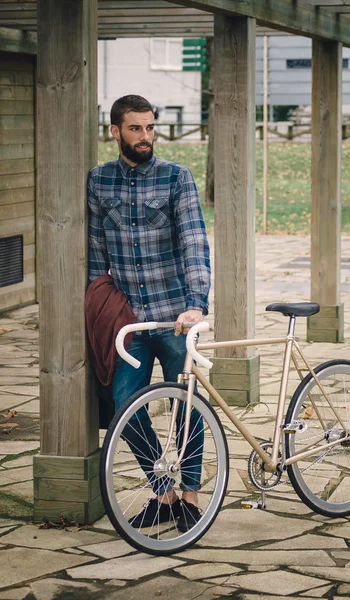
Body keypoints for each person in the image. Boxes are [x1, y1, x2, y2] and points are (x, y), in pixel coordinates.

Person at [88, 94, 211, 532]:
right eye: (136, 128)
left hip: (177, 316)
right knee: (124, 405)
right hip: (130, 320)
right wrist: (97, 307)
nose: (145, 136)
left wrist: (196, 304)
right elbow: (94, 257)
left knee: (189, 407)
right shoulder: (98, 181)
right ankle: (162, 491)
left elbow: (195, 241)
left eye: (150, 127)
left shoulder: (177, 178)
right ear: (115, 131)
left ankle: (190, 498)